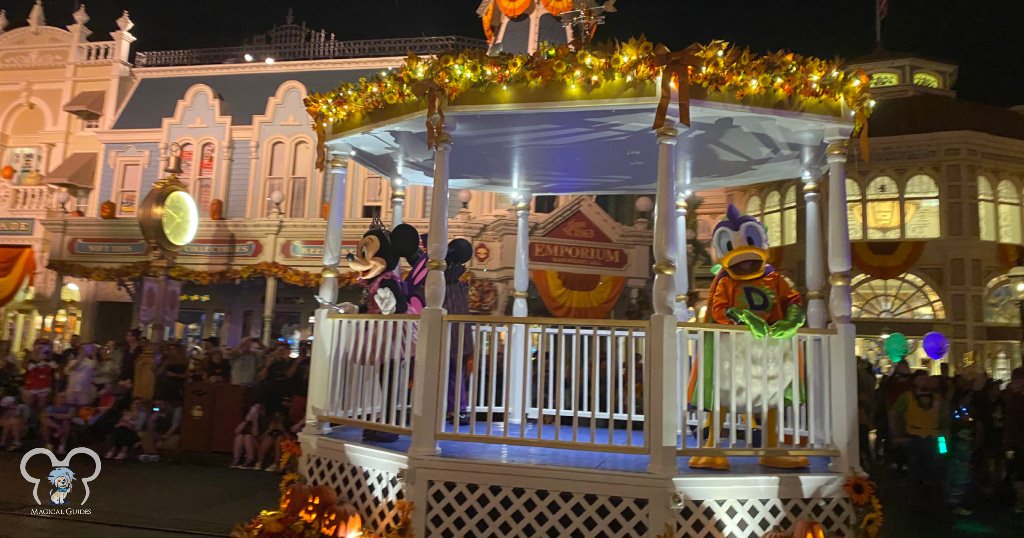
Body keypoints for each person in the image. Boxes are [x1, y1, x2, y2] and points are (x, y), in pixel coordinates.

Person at [891, 374, 949, 512]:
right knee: (916, 471)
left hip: (934, 437)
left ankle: (935, 500)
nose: (926, 381)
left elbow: (944, 421)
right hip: (916, 438)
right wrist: (896, 435)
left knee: (936, 470)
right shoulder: (908, 397)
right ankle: (917, 501)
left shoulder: (937, 399)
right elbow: (894, 414)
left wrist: (944, 443)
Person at [1003, 367, 1024, 514]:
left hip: (1014, 440)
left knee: (1017, 471)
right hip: (1014, 440)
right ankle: (1019, 500)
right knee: (1016, 471)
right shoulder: (1009, 396)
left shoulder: (1010, 396)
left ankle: (1019, 501)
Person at [258, 342, 293, 415]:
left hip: (285, 395)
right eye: (279, 350)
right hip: (270, 395)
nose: (281, 352)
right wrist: (267, 365)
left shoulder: (292, 363)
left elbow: (289, 375)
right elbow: (261, 377)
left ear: (289, 351)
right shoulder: (270, 362)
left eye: (283, 350)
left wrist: (287, 361)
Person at [22, 339, 56, 413]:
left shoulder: (50, 362)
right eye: (40, 348)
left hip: (44, 386)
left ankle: (39, 419)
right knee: (28, 401)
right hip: (31, 386)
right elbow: (26, 368)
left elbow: (53, 371)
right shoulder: (30, 360)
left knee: (41, 403)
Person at [232, 403, 262, 469]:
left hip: (258, 442)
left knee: (248, 437)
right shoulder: (246, 420)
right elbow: (236, 432)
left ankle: (250, 460)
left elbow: (255, 434)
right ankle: (236, 460)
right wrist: (247, 421)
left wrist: (255, 420)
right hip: (247, 441)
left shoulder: (262, 420)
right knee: (239, 437)